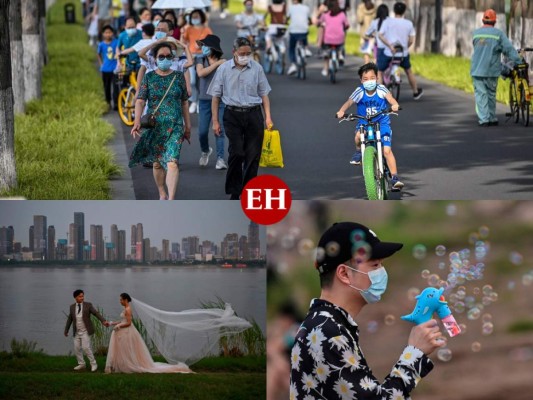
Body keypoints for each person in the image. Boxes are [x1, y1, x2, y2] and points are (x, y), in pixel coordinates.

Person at [290, 222, 445, 399]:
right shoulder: (327, 332)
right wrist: (414, 354)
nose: (382, 272)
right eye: (375, 265)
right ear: (344, 274)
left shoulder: (325, 324)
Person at [207, 37, 273, 200]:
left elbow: (264, 94)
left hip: (254, 114)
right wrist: (215, 121)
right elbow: (215, 96)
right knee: (236, 152)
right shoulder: (223, 69)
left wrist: (268, 117)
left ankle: (249, 192)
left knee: (252, 156)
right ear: (234, 52)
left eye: (248, 54)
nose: (245, 56)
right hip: (232, 115)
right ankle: (235, 191)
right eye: (242, 53)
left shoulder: (257, 68)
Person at [129, 42, 191, 200]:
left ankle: (171, 200)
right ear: (155, 59)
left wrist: (188, 126)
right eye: (161, 56)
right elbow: (140, 101)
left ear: (172, 58)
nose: (165, 59)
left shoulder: (178, 77)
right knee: (157, 163)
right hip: (155, 126)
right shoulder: (149, 77)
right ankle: (162, 192)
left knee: (172, 162)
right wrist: (136, 121)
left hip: (175, 125)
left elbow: (184, 102)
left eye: (168, 56)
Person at [336, 63, 404, 190]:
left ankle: (395, 178)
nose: (369, 81)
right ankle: (358, 152)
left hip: (382, 123)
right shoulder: (359, 91)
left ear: (377, 78)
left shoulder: (381, 89)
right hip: (364, 123)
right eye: (365, 79)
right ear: (361, 80)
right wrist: (341, 111)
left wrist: (394, 105)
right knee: (357, 136)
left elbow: (390, 98)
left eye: (372, 78)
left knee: (387, 151)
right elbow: (349, 102)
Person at [105, 293, 192, 373]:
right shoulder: (126, 309)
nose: (120, 301)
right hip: (124, 332)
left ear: (126, 300)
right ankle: (122, 365)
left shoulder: (128, 310)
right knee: (124, 350)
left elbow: (128, 323)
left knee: (127, 349)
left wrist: (119, 326)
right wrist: (112, 323)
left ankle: (128, 365)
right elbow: (123, 320)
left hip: (127, 332)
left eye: (121, 300)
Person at [471, 8, 521, 127]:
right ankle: (492, 117)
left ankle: (484, 119)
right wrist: (518, 61)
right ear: (494, 22)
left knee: (481, 94)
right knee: (491, 93)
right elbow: (508, 50)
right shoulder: (498, 35)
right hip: (492, 70)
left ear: (483, 20)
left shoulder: (476, 34)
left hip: (477, 70)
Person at [378, 1, 423, 100]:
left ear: (394, 11)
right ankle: (415, 91)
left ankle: (380, 95)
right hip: (403, 54)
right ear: (404, 11)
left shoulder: (387, 22)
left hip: (389, 53)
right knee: (408, 71)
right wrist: (405, 47)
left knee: (380, 71)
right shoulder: (409, 23)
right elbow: (411, 40)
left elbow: (380, 35)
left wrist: (389, 45)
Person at [196, 34, 228, 170]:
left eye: (205, 45)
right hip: (204, 100)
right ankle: (205, 150)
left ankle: (220, 159)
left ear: (213, 48)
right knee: (202, 132)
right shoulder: (200, 59)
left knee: (219, 130)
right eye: (202, 45)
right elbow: (201, 73)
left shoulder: (224, 63)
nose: (203, 48)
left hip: (220, 100)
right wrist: (217, 64)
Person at [64, 289, 110, 372]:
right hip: (77, 332)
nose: (82, 298)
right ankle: (81, 364)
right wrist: (66, 330)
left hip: (85, 331)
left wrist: (103, 321)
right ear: (75, 297)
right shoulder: (72, 307)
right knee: (77, 348)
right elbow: (70, 319)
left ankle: (93, 363)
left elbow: (96, 313)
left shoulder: (88, 305)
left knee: (86, 348)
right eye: (80, 296)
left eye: (83, 296)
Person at [182, 8, 213, 114]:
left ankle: (200, 101)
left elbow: (212, 44)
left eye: (197, 16)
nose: (195, 18)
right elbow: (183, 43)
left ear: (201, 17)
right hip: (191, 57)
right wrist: (183, 33)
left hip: (202, 56)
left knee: (202, 80)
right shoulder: (188, 28)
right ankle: (194, 100)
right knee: (192, 81)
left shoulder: (206, 29)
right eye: (193, 17)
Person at [318, 0, 349, 77]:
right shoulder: (342, 14)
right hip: (339, 39)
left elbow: (319, 22)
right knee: (340, 44)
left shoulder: (325, 15)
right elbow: (347, 25)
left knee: (326, 54)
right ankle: (340, 54)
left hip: (328, 39)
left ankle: (325, 68)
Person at [286, 0, 312, 76]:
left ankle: (293, 64)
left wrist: (286, 22)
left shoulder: (291, 8)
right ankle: (306, 49)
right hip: (304, 31)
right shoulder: (306, 8)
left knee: (291, 47)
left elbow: (287, 18)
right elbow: (309, 19)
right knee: (304, 34)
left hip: (293, 31)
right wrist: (310, 23)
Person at [364, 3, 389, 79]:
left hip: (378, 45)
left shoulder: (375, 22)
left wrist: (373, 35)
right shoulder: (390, 21)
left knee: (376, 60)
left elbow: (367, 33)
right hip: (389, 46)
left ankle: (375, 77)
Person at [97, 25, 119, 110]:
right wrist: (101, 64)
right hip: (105, 69)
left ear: (112, 33)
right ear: (103, 34)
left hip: (115, 69)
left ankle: (116, 103)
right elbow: (98, 54)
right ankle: (108, 102)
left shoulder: (116, 42)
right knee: (106, 86)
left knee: (116, 87)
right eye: (106, 32)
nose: (108, 34)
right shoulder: (101, 44)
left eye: (109, 32)